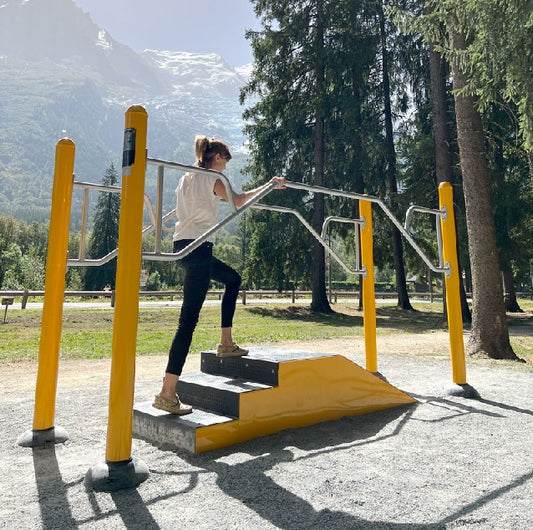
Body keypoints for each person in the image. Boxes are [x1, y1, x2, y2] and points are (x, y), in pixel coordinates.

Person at [153, 135, 286, 415]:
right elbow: (238, 200)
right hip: (199, 249)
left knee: (232, 279)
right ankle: (167, 392)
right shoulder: (214, 178)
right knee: (187, 323)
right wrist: (270, 185)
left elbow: (193, 206)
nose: (226, 165)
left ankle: (226, 342)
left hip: (183, 245)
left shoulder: (187, 178)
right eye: (225, 160)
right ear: (216, 157)